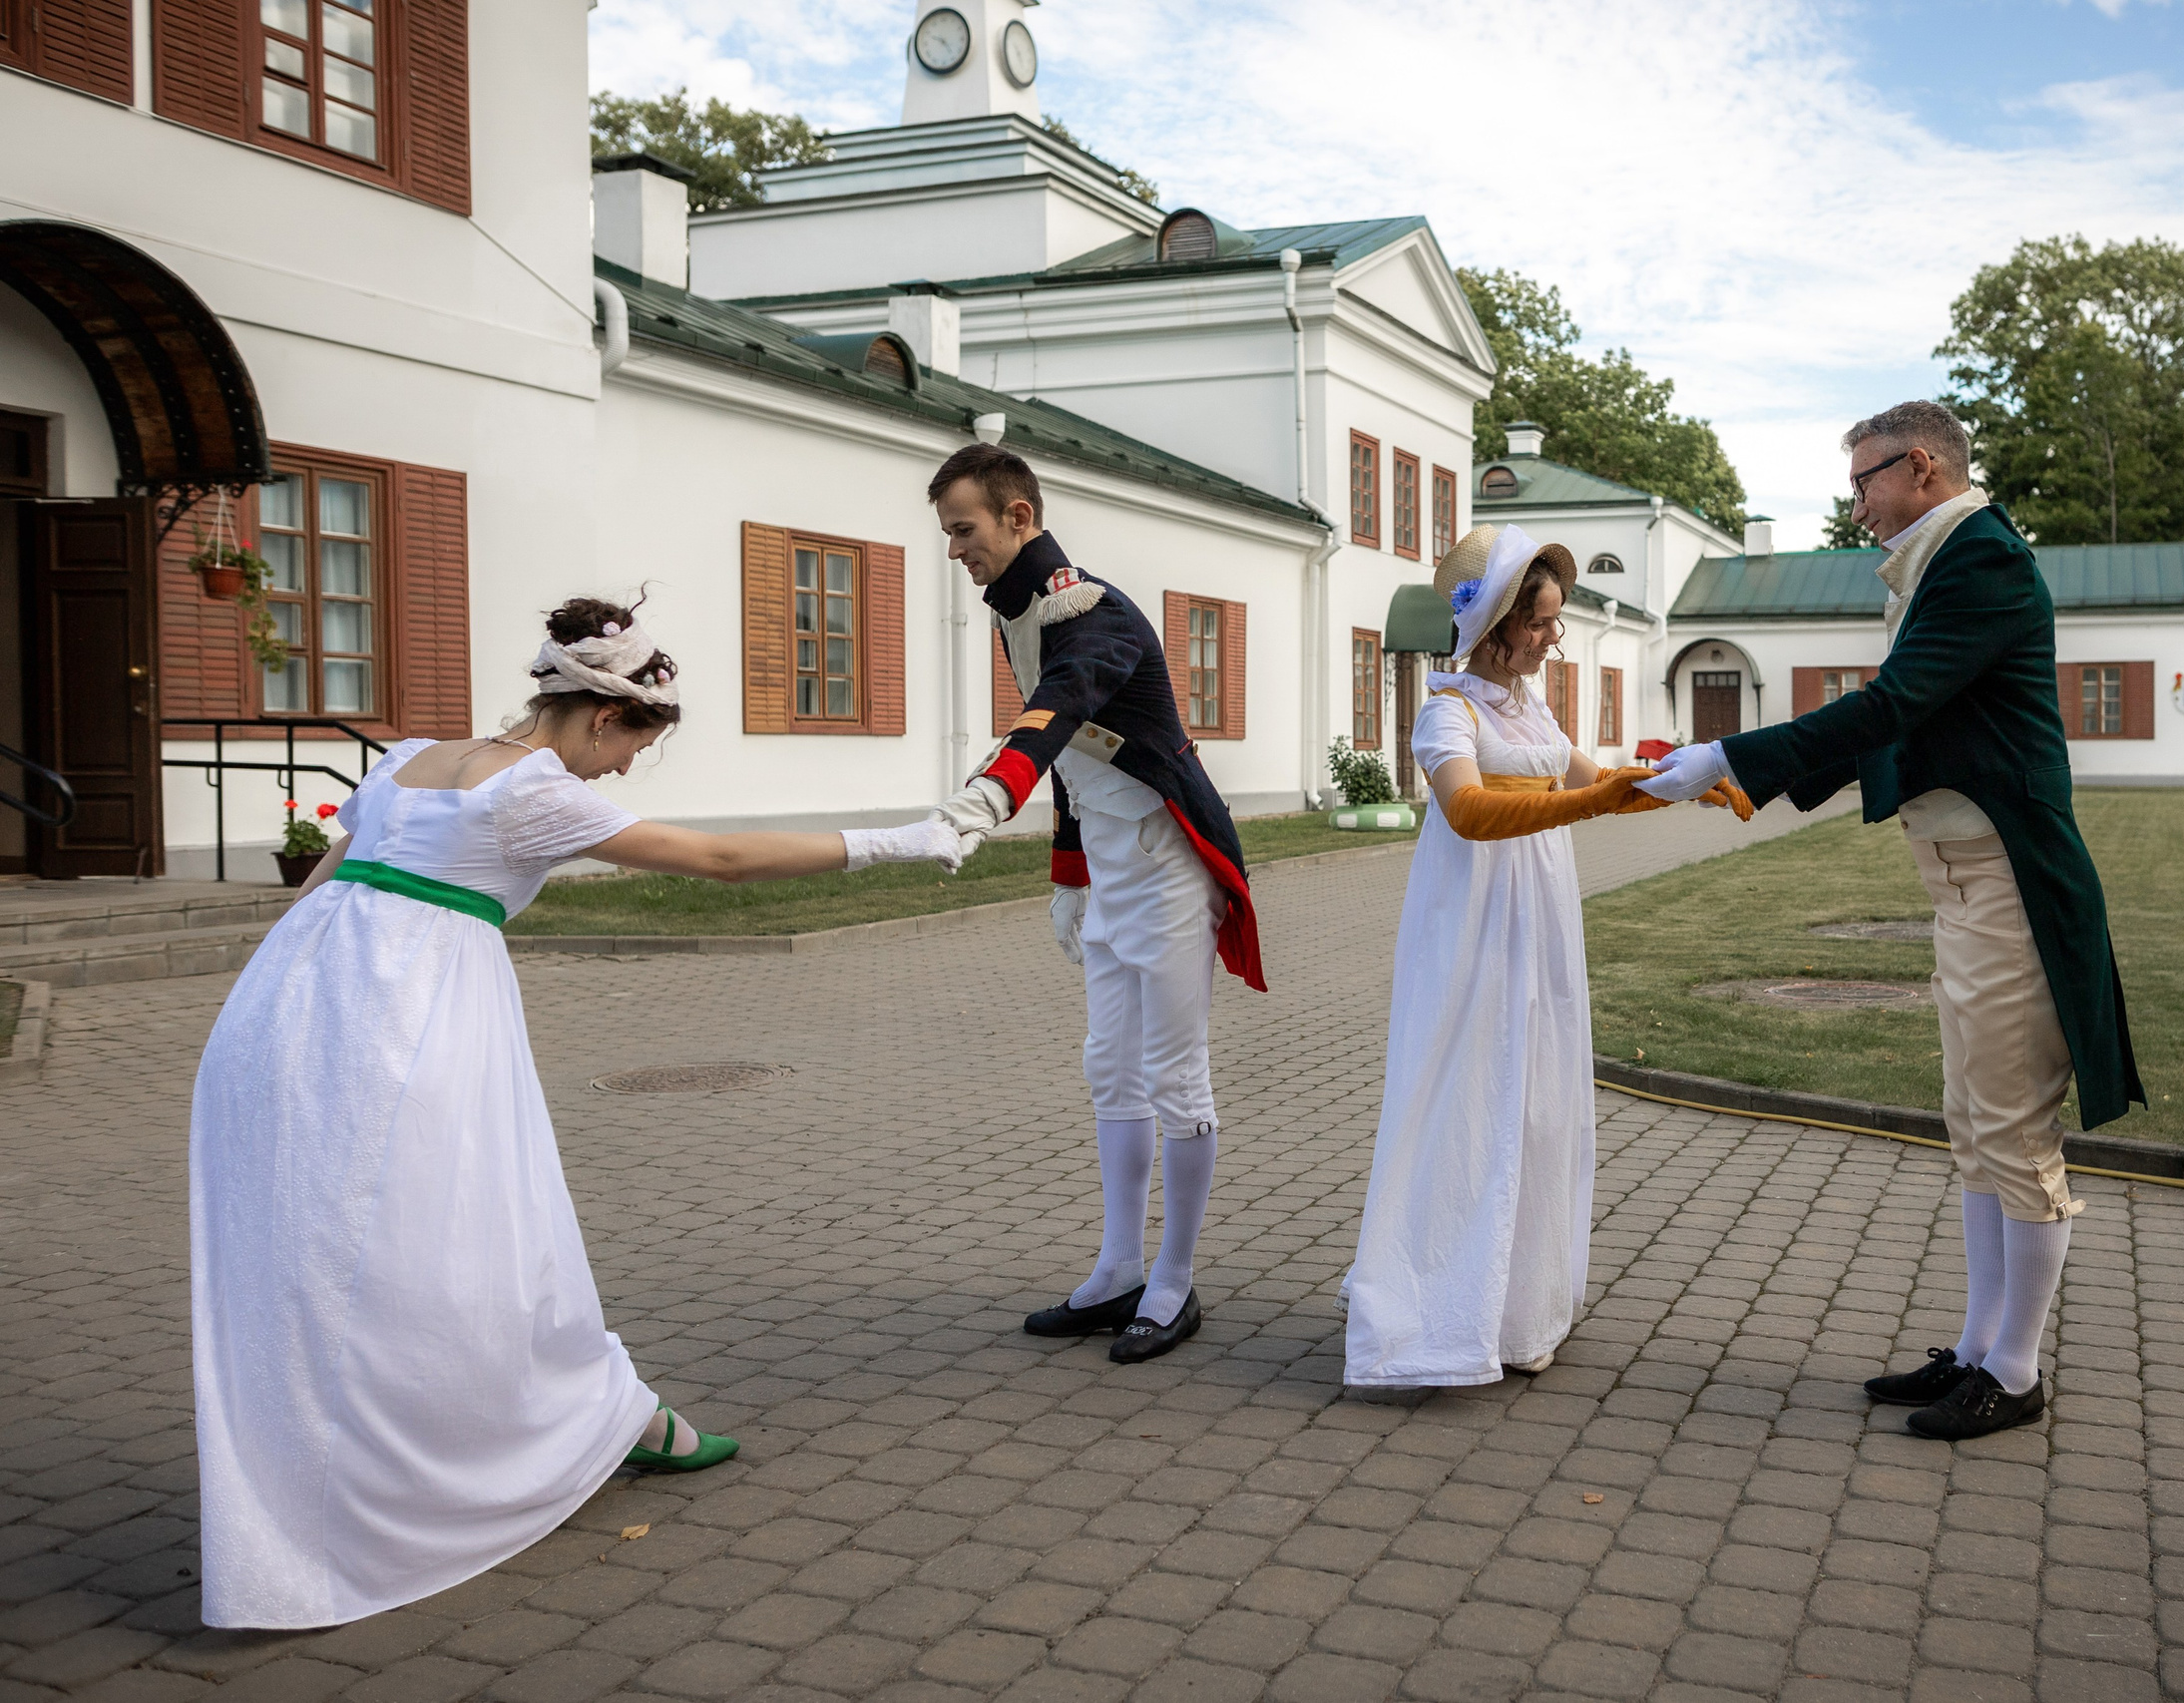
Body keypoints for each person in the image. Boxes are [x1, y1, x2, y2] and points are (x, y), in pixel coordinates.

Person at [191, 597, 962, 1629]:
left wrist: (274, 1002)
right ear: (604, 719)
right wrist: (905, 841)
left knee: (321, 1261)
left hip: (286, 1005)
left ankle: (547, 1430)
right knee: (462, 1247)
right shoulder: (533, 793)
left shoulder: (411, 756)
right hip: (403, 1017)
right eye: (633, 749)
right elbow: (721, 862)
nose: (624, 773)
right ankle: (436, 1480)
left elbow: (326, 879)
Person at [1641, 401, 2142, 1441]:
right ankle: (1971, 1348)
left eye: (1863, 479)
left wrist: (1730, 756)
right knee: (1972, 1126)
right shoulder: (1939, 558)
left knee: (2011, 1129)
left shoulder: (1981, 559)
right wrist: (1744, 784)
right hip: (1963, 882)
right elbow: (1902, 719)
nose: (1856, 500)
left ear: (1920, 466)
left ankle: (2014, 1368)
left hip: (2007, 881)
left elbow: (1893, 703)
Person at [1340, 526, 1743, 1389]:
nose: (1553, 637)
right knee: (1470, 1095)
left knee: (1539, 1099)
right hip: (1472, 927)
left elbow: (1598, 782)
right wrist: (1592, 804)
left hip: (1541, 923)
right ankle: (1439, 1307)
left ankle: (1523, 1308)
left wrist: (1689, 781)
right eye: (1542, 622)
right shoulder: (1447, 711)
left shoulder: (1530, 707)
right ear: (1492, 624)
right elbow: (1472, 814)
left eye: (1557, 620)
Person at [924, 443, 1261, 1363]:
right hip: (1111, 873)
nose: (955, 549)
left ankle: (1176, 1279)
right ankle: (1118, 1269)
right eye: (949, 532)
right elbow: (1078, 767)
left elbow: (1059, 711)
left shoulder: (1092, 610)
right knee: (1108, 1069)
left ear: (1019, 518)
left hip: (1166, 868)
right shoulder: (1024, 613)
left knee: (1175, 1075)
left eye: (965, 529)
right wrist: (1069, 879)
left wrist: (991, 794)